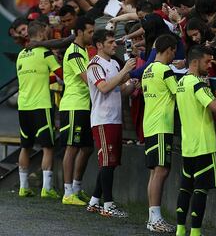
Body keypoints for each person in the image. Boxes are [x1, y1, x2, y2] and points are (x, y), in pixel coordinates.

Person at [175, 45, 216, 236]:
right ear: (194, 62)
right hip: (204, 144)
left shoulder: (181, 82)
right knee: (201, 190)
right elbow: (215, 106)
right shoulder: (197, 84)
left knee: (185, 189)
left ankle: (181, 229)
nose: (210, 65)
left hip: (188, 145)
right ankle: (196, 232)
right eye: (207, 61)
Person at [85, 30, 138, 217]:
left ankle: (94, 201)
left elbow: (120, 90)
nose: (115, 45)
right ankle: (108, 205)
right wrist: (125, 71)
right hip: (102, 119)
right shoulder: (94, 65)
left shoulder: (114, 63)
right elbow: (105, 87)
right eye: (110, 42)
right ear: (99, 45)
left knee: (111, 163)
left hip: (115, 119)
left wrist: (132, 85)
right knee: (107, 162)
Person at [16, 21, 62, 198]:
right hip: (41, 105)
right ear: (42, 34)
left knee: (25, 147)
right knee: (48, 147)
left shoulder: (21, 55)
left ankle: (23, 187)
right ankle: (47, 188)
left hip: (23, 106)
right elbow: (62, 75)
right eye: (47, 32)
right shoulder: (45, 53)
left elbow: (32, 78)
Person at [142, 34, 178, 233]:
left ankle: (152, 218)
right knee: (161, 171)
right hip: (162, 126)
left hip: (150, 125)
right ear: (170, 50)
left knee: (155, 172)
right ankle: (155, 219)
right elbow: (179, 93)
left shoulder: (148, 69)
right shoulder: (165, 71)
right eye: (174, 51)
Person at [60, 17, 95, 206]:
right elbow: (87, 79)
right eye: (90, 31)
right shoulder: (74, 53)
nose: (93, 34)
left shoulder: (82, 51)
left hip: (84, 106)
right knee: (72, 147)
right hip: (74, 105)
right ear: (80, 32)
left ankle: (76, 188)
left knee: (87, 147)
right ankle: (67, 193)